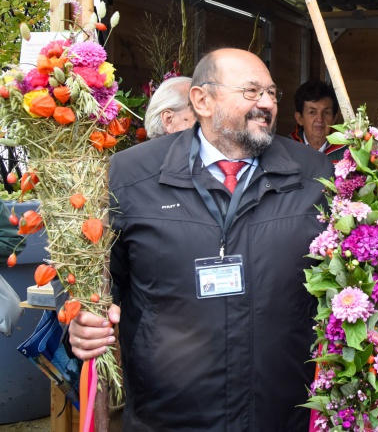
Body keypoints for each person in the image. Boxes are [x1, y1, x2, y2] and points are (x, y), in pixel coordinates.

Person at [68, 48, 333, 431]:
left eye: (272, 94)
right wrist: (79, 323)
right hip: (169, 416)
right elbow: (97, 283)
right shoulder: (131, 174)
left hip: (281, 411)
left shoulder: (314, 174)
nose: (267, 104)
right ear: (202, 100)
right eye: (251, 91)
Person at [289, 78, 345, 161]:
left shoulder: (347, 151)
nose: (320, 119)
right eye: (312, 112)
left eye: (326, 112)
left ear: (334, 118)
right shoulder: (287, 149)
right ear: (300, 119)